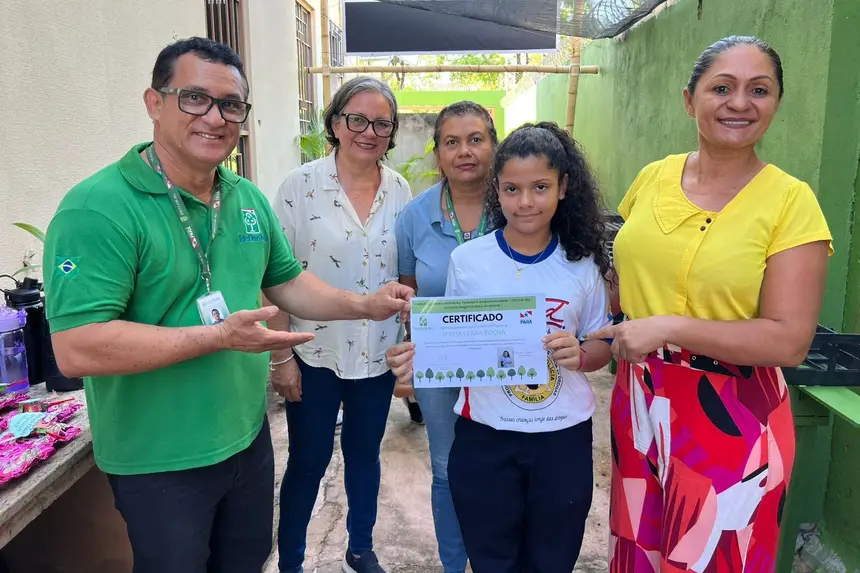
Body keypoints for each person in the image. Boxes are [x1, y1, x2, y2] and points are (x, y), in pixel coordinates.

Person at [41, 38, 412, 573]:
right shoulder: (97, 209)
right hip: (160, 459)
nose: (215, 118)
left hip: (246, 440)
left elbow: (289, 283)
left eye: (231, 105)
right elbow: (77, 349)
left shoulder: (244, 198)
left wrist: (365, 304)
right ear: (154, 102)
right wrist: (222, 338)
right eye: (195, 98)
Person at [588, 36, 832, 572]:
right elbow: (621, 279)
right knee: (638, 553)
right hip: (639, 399)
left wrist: (667, 326)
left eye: (759, 90)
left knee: (714, 559)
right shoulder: (653, 177)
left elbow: (789, 341)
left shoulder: (791, 203)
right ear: (689, 99)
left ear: (776, 103)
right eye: (722, 88)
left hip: (731, 415)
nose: (739, 103)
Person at [389, 121, 613, 573]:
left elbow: (602, 343)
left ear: (563, 187)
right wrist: (418, 358)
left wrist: (582, 354)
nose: (525, 201)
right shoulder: (468, 261)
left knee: (552, 560)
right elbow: (456, 343)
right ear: (497, 189)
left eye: (540, 187)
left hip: (562, 439)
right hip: (486, 437)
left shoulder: (581, 263)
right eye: (512, 189)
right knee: (492, 560)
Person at [269, 76, 411, 573]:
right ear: (334, 123)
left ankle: (360, 548)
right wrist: (281, 358)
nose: (368, 132)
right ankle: (291, 561)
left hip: (377, 353)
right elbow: (274, 277)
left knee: (364, 455)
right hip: (314, 352)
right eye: (357, 119)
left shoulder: (400, 190)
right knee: (308, 461)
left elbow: (403, 272)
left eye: (382, 124)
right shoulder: (299, 187)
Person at [388, 101, 498, 573]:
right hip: (440, 368)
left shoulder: (518, 205)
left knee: (500, 470)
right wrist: (409, 360)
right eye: (451, 142)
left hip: (507, 366)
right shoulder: (415, 217)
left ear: (494, 146)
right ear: (438, 153)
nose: (464, 151)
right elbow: (408, 295)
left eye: (476, 139)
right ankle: (454, 565)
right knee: (445, 468)